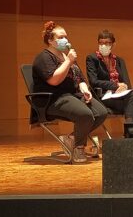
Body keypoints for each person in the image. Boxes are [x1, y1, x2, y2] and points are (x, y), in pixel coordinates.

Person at [31, 21, 108, 163]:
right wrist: (69, 61)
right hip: (53, 99)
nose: (64, 40)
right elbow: (54, 80)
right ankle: (79, 147)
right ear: (50, 41)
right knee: (85, 114)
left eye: (65, 36)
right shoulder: (44, 58)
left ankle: (71, 138)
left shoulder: (67, 56)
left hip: (73, 96)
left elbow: (80, 78)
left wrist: (85, 90)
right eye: (60, 37)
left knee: (101, 112)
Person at [86, 29, 133, 124]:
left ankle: (129, 126)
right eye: (101, 43)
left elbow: (126, 81)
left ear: (113, 44)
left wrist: (125, 88)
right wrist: (115, 85)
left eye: (107, 43)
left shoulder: (119, 60)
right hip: (103, 95)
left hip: (119, 94)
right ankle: (129, 128)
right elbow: (93, 81)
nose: (103, 46)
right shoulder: (92, 59)